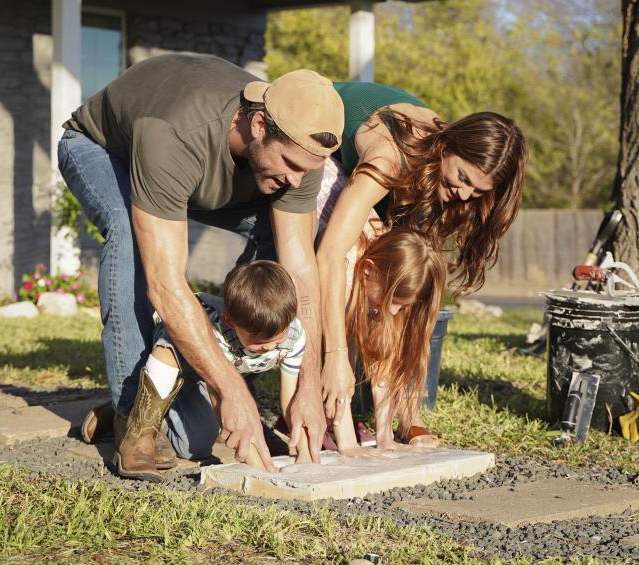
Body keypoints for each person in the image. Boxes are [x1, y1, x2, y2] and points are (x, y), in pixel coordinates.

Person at [59, 53, 341, 478]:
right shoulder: (174, 133)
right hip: (104, 150)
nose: (298, 181)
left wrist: (308, 381)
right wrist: (229, 390)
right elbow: (165, 284)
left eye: (308, 170)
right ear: (259, 125)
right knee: (130, 234)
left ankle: (201, 388)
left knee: (277, 233)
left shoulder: (299, 151)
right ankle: (130, 410)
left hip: (204, 175)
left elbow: (299, 272)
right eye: (291, 166)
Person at [317, 81, 526, 444]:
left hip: (401, 178)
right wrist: (337, 358)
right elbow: (329, 256)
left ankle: (406, 416)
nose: (463, 194)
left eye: (477, 191)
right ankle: (326, 405)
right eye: (462, 178)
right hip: (318, 146)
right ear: (446, 146)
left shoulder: (447, 183)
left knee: (410, 283)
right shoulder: (388, 157)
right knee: (354, 269)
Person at [133, 260, 306, 472]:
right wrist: (258, 466)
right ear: (230, 321)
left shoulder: (294, 335)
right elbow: (222, 402)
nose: (269, 347)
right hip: (188, 355)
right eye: (258, 342)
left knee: (193, 447)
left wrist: (304, 455)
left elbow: (291, 400)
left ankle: (171, 405)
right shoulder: (218, 335)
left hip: (209, 377)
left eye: (278, 339)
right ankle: (138, 417)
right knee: (167, 350)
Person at [327, 228, 447, 455]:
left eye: (402, 306)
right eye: (392, 300)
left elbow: (383, 361)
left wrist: (385, 436)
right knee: (345, 347)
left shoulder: (392, 262)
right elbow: (342, 362)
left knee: (383, 335)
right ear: (368, 271)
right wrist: (347, 442)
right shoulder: (344, 274)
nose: (393, 311)